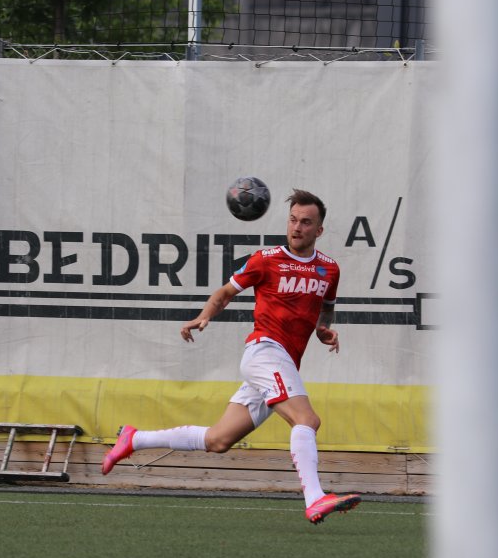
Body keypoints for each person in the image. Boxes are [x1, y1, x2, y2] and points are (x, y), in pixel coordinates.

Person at [103, 189, 360, 524]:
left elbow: (326, 307)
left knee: (218, 439)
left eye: (306, 222)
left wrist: (324, 330)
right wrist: (204, 316)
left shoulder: (329, 269)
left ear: (319, 230)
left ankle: (134, 438)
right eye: (293, 220)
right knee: (306, 420)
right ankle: (314, 498)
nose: (297, 227)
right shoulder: (266, 260)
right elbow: (225, 293)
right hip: (265, 352)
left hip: (282, 363)